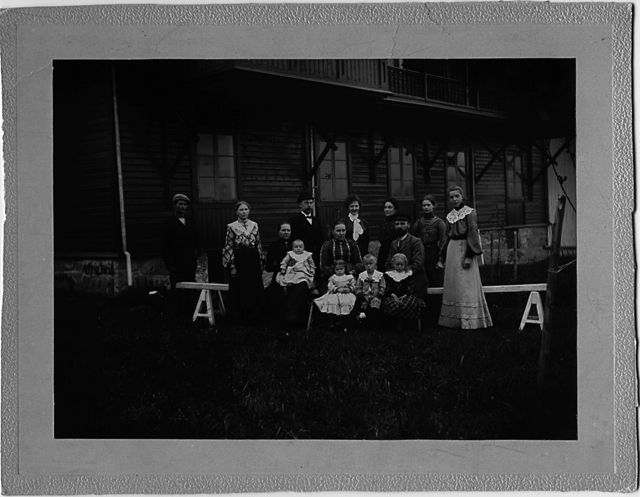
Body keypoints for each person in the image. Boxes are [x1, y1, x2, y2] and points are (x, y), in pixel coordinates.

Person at [437, 185, 493, 329]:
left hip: (465, 248)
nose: (454, 199)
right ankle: (453, 320)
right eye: (451, 197)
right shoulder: (449, 216)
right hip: (452, 250)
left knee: (465, 285)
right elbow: (446, 238)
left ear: (462, 197)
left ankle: (470, 321)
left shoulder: (469, 212)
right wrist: (441, 258)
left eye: (457, 196)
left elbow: (473, 233)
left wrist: (469, 255)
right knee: (453, 283)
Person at [222, 200, 265, 323]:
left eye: (246, 209)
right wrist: (232, 265)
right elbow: (228, 246)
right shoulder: (232, 227)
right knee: (240, 287)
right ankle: (240, 318)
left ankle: (255, 316)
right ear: (236, 212)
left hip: (253, 258)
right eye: (241, 210)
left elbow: (258, 243)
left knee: (254, 286)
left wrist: (261, 260)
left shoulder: (254, 225)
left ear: (249, 211)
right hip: (240, 258)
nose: (244, 212)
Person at [162, 193, 200, 289]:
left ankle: (191, 304)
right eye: (180, 204)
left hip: (190, 262)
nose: (183, 207)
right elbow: (165, 245)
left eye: (184, 204)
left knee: (190, 286)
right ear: (175, 205)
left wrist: (197, 252)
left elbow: (197, 238)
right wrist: (170, 265)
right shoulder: (169, 223)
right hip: (176, 264)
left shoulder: (190, 221)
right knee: (178, 288)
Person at [385, 212, 427, 297]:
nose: (399, 226)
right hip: (396, 280)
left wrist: (404, 273)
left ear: (408, 225)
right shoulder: (393, 243)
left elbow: (418, 263)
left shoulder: (415, 242)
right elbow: (388, 262)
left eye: (402, 224)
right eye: (397, 224)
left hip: (413, 280)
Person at [276, 239, 316, 327]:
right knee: (291, 284)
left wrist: (312, 270)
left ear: (304, 247)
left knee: (302, 281)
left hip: (303, 273)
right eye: (296, 247)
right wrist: (283, 269)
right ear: (292, 247)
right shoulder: (290, 254)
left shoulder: (307, 255)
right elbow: (284, 262)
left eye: (300, 247)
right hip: (293, 273)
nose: (298, 249)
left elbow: (312, 264)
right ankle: (291, 316)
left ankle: (290, 315)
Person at [411, 194, 446, 287]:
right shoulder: (418, 222)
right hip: (421, 251)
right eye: (424, 205)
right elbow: (412, 238)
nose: (426, 207)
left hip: (434, 251)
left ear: (433, 206)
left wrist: (441, 259)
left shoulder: (439, 222)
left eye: (428, 205)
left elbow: (443, 241)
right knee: (421, 276)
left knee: (434, 276)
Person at [313, 259, 357, 331]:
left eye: (341, 269)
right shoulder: (333, 278)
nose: (339, 271)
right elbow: (330, 286)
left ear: (345, 269)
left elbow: (353, 285)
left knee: (346, 302)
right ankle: (334, 321)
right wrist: (336, 289)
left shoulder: (349, 277)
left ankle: (345, 321)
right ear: (334, 270)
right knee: (332, 302)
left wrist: (349, 289)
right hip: (335, 293)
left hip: (346, 293)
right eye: (337, 269)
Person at [382, 253, 426, 322]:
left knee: (409, 303)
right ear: (393, 264)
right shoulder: (388, 275)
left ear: (405, 264)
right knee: (392, 304)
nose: (399, 266)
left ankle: (405, 322)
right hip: (392, 296)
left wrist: (404, 296)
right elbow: (387, 288)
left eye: (401, 264)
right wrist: (394, 296)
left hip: (406, 296)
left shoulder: (408, 274)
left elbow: (411, 288)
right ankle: (396, 322)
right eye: (397, 264)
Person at [319, 220, 363, 287]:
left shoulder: (352, 244)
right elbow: (323, 265)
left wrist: (351, 272)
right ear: (333, 231)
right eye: (338, 231)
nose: (341, 233)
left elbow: (359, 262)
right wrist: (336, 274)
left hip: (350, 276)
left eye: (343, 230)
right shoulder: (327, 245)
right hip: (333, 277)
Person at [264, 222, 293, 323]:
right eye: (283, 230)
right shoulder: (274, 245)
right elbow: (269, 265)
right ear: (279, 232)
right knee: (275, 291)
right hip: (278, 273)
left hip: (294, 273)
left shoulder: (295, 244)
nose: (286, 232)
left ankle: (292, 318)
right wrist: (279, 268)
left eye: (288, 230)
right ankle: (278, 319)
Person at [288, 191, 325, 269]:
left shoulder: (317, 220)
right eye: (306, 203)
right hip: (302, 255)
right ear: (300, 205)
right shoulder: (294, 220)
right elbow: (292, 239)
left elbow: (321, 237)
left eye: (311, 203)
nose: (309, 205)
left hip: (316, 255)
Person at [354, 254, 386, 324]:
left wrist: (379, 295)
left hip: (376, 296)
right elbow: (357, 287)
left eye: (371, 264)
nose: (368, 266)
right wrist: (361, 295)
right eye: (366, 264)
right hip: (364, 296)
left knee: (375, 306)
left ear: (375, 264)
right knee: (363, 305)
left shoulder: (379, 275)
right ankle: (364, 320)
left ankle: (369, 319)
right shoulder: (362, 275)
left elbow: (382, 286)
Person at [377, 197, 399, 269]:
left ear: (395, 209)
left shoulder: (398, 223)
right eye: (385, 207)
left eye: (390, 207)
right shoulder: (383, 222)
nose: (387, 209)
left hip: (394, 251)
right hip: (383, 251)